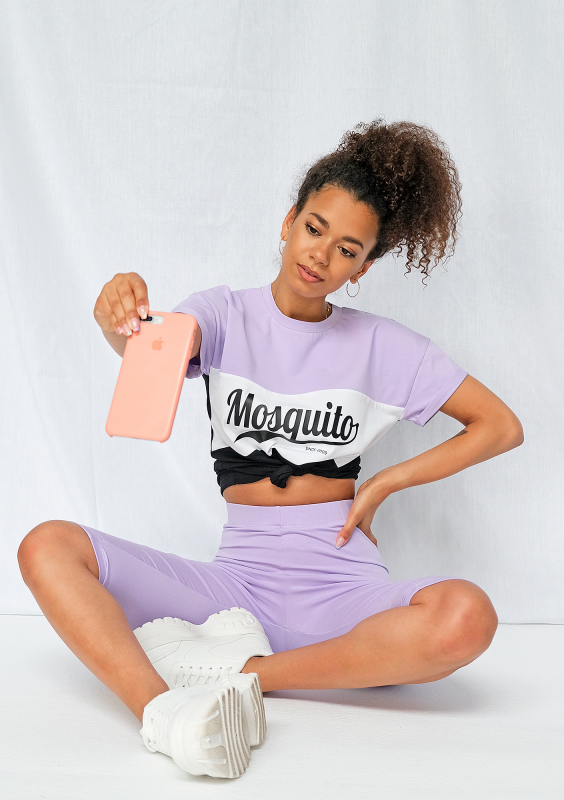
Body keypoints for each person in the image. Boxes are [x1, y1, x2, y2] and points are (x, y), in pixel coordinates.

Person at [18, 119, 523, 779]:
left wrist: (386, 482)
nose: (321, 255)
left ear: (363, 268)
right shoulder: (224, 314)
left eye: (347, 249)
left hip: (341, 588)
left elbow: (499, 426)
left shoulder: (385, 346)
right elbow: (155, 356)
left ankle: (247, 675)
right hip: (236, 587)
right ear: (288, 222)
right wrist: (121, 318)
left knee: (466, 617)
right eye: (315, 228)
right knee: (47, 546)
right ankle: (164, 714)